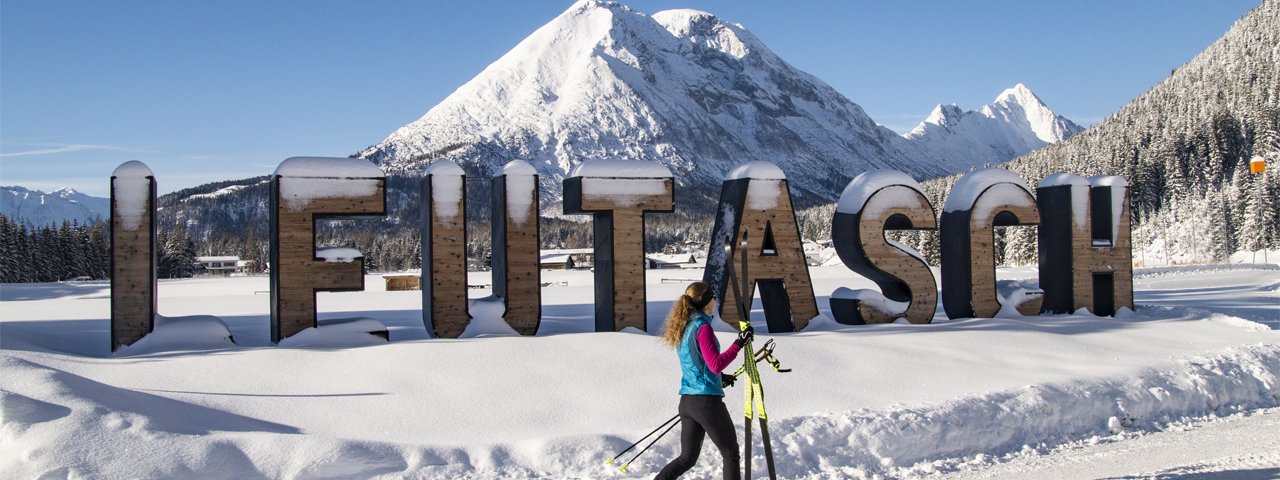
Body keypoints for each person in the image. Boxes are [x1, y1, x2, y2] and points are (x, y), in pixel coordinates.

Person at [655, 281, 753, 480]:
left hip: (688, 402)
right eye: (714, 297)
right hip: (706, 402)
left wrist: (718, 378)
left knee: (687, 459)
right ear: (707, 301)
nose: (716, 301)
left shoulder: (686, 325)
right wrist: (739, 343)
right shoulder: (702, 327)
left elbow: (697, 363)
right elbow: (715, 364)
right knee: (730, 453)